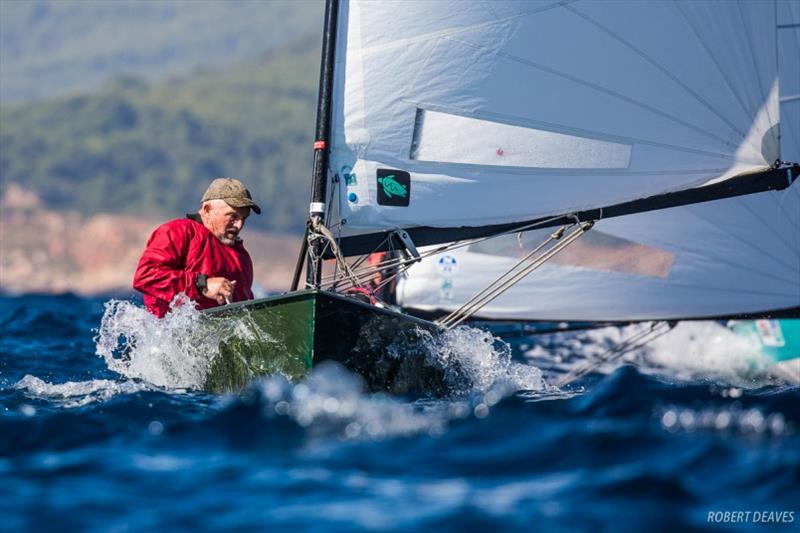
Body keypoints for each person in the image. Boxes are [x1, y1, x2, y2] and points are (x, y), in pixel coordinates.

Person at [133, 177, 261, 317]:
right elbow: (146, 276)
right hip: (169, 334)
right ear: (207, 210)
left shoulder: (241, 257)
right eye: (232, 217)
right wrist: (202, 284)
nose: (239, 225)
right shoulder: (178, 231)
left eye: (244, 218)